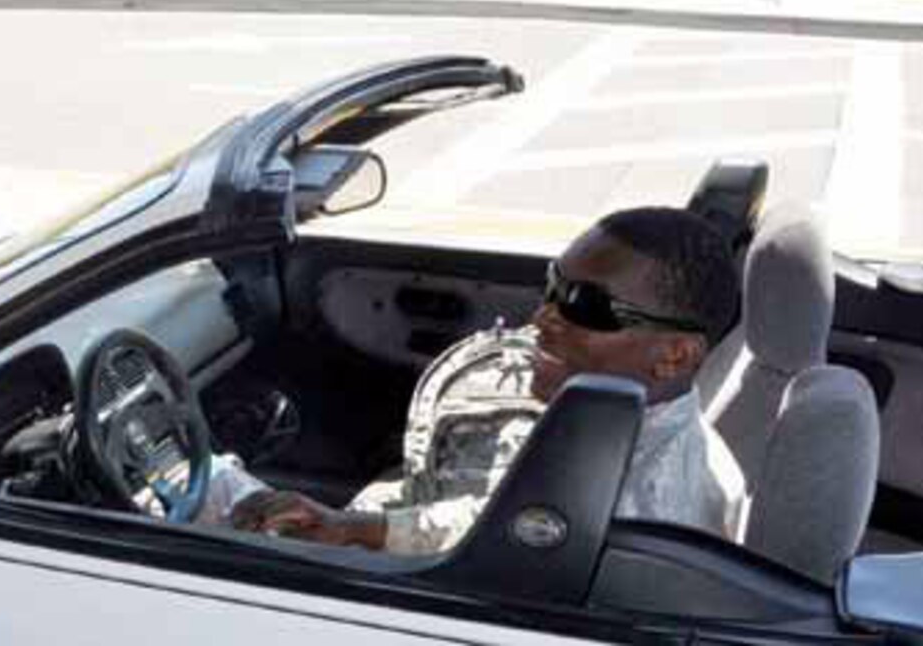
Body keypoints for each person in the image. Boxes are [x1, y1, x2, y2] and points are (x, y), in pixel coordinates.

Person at [223, 207, 745, 556]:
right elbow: (515, 523)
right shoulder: (607, 436)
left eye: (586, 305)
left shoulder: (642, 519)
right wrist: (362, 528)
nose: (543, 317)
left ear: (675, 355)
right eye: (552, 286)